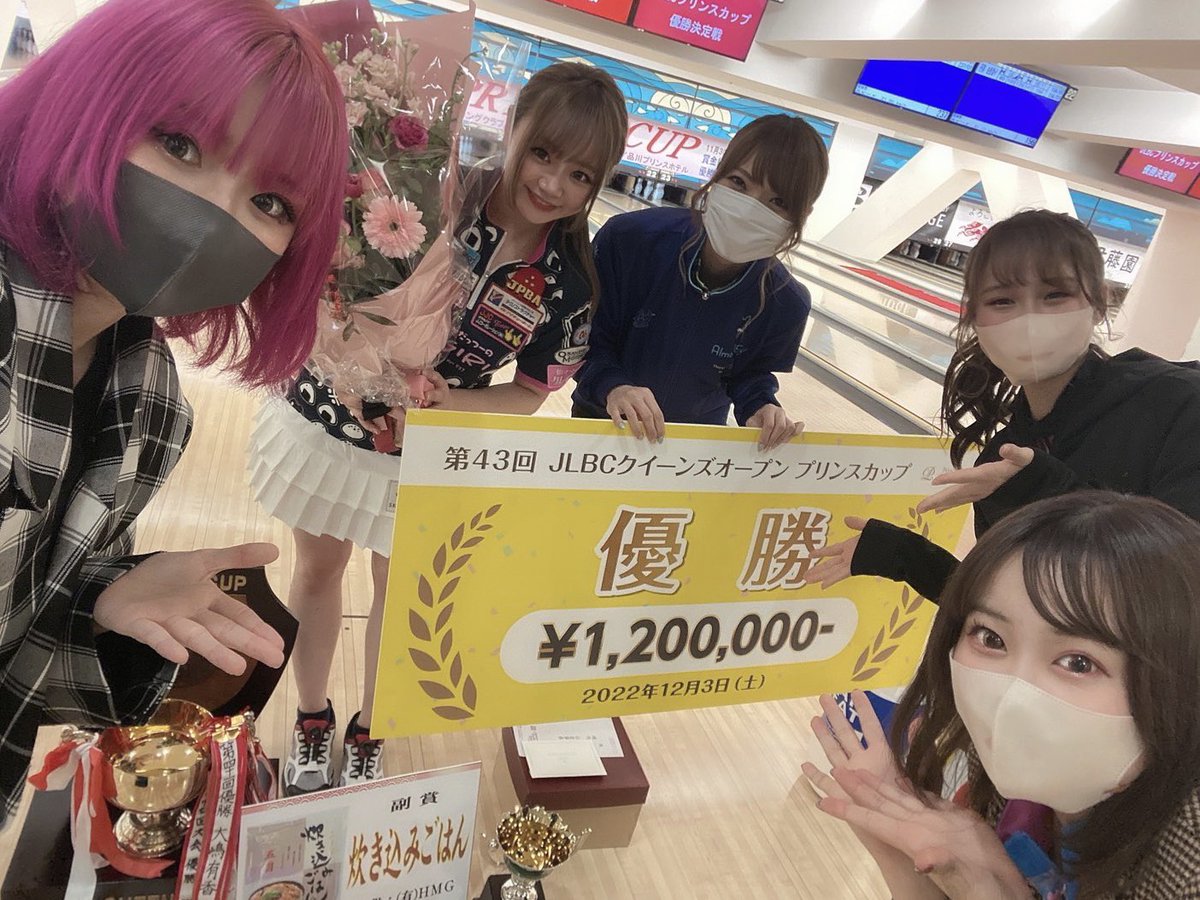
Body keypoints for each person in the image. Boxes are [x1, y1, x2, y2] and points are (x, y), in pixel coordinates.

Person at [0, 0, 346, 827]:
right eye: (180, 144)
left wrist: (102, 604)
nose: (212, 214)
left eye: (271, 202)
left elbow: (19, 664)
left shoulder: (147, 401)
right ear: (89, 97)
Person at [248, 61, 627, 794]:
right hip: (330, 413)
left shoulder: (570, 282)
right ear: (512, 127)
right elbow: (339, 277)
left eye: (580, 174)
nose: (552, 183)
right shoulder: (430, 190)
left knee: (396, 595)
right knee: (318, 572)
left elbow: (530, 391)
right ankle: (312, 715)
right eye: (543, 152)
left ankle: (371, 727)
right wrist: (357, 360)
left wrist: (450, 405)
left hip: (429, 450)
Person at [804, 491, 1200, 899]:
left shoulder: (1187, 869)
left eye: (1078, 663)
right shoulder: (1007, 771)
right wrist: (901, 853)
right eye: (991, 638)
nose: (1012, 696)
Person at [806, 209, 1200, 602]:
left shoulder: (1180, 404)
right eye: (1002, 301)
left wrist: (1044, 491)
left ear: (1099, 302)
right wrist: (903, 556)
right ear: (974, 319)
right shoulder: (1005, 458)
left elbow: (1178, 585)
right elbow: (1010, 611)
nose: (1029, 319)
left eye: (1055, 295)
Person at [570, 114, 829, 452]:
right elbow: (583, 340)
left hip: (694, 449)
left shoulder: (787, 302)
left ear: (802, 216)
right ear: (717, 176)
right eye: (739, 183)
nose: (749, 209)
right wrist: (614, 386)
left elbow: (749, 375)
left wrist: (761, 407)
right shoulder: (629, 239)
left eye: (778, 202)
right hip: (601, 424)